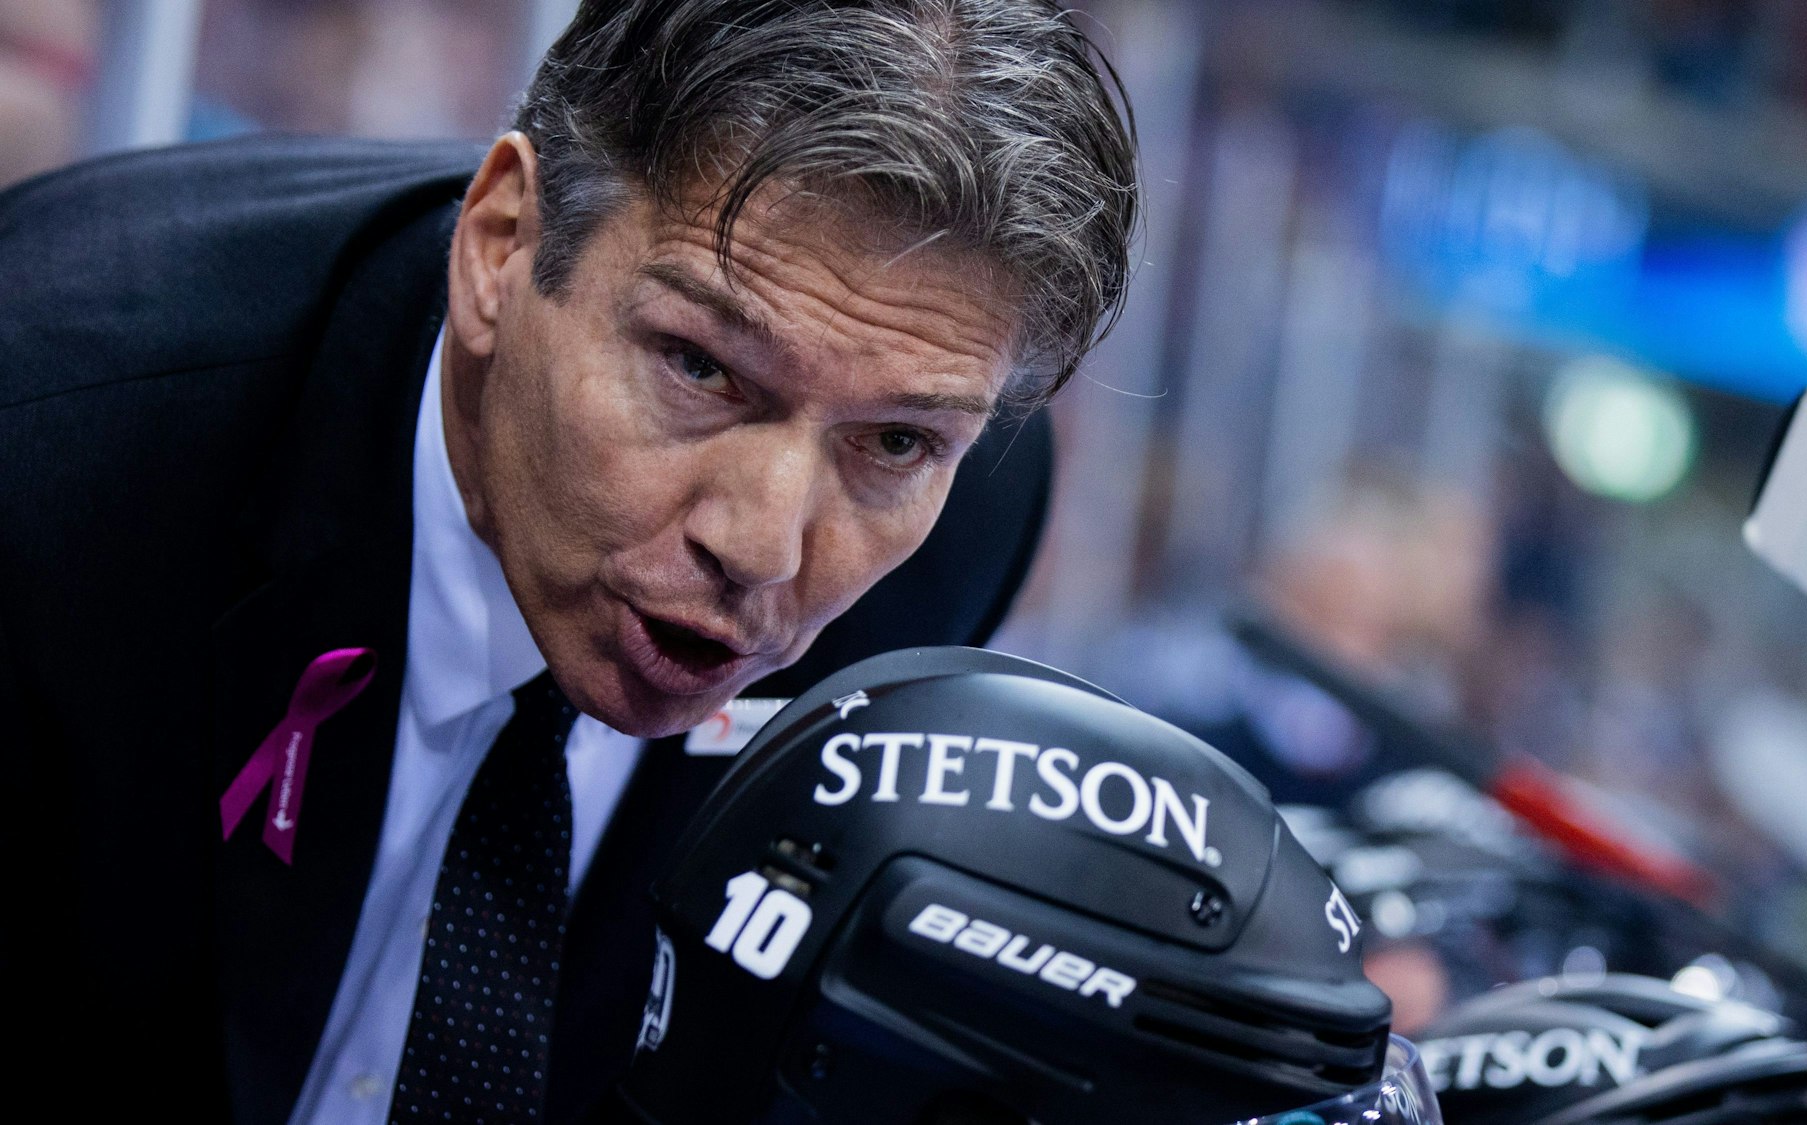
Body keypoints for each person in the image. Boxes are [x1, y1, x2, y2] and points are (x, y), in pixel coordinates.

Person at [0, 2, 1136, 1122]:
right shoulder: (54, 455)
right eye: (699, 367)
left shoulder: (964, 522)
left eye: (893, 442)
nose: (761, 544)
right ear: (501, 248)